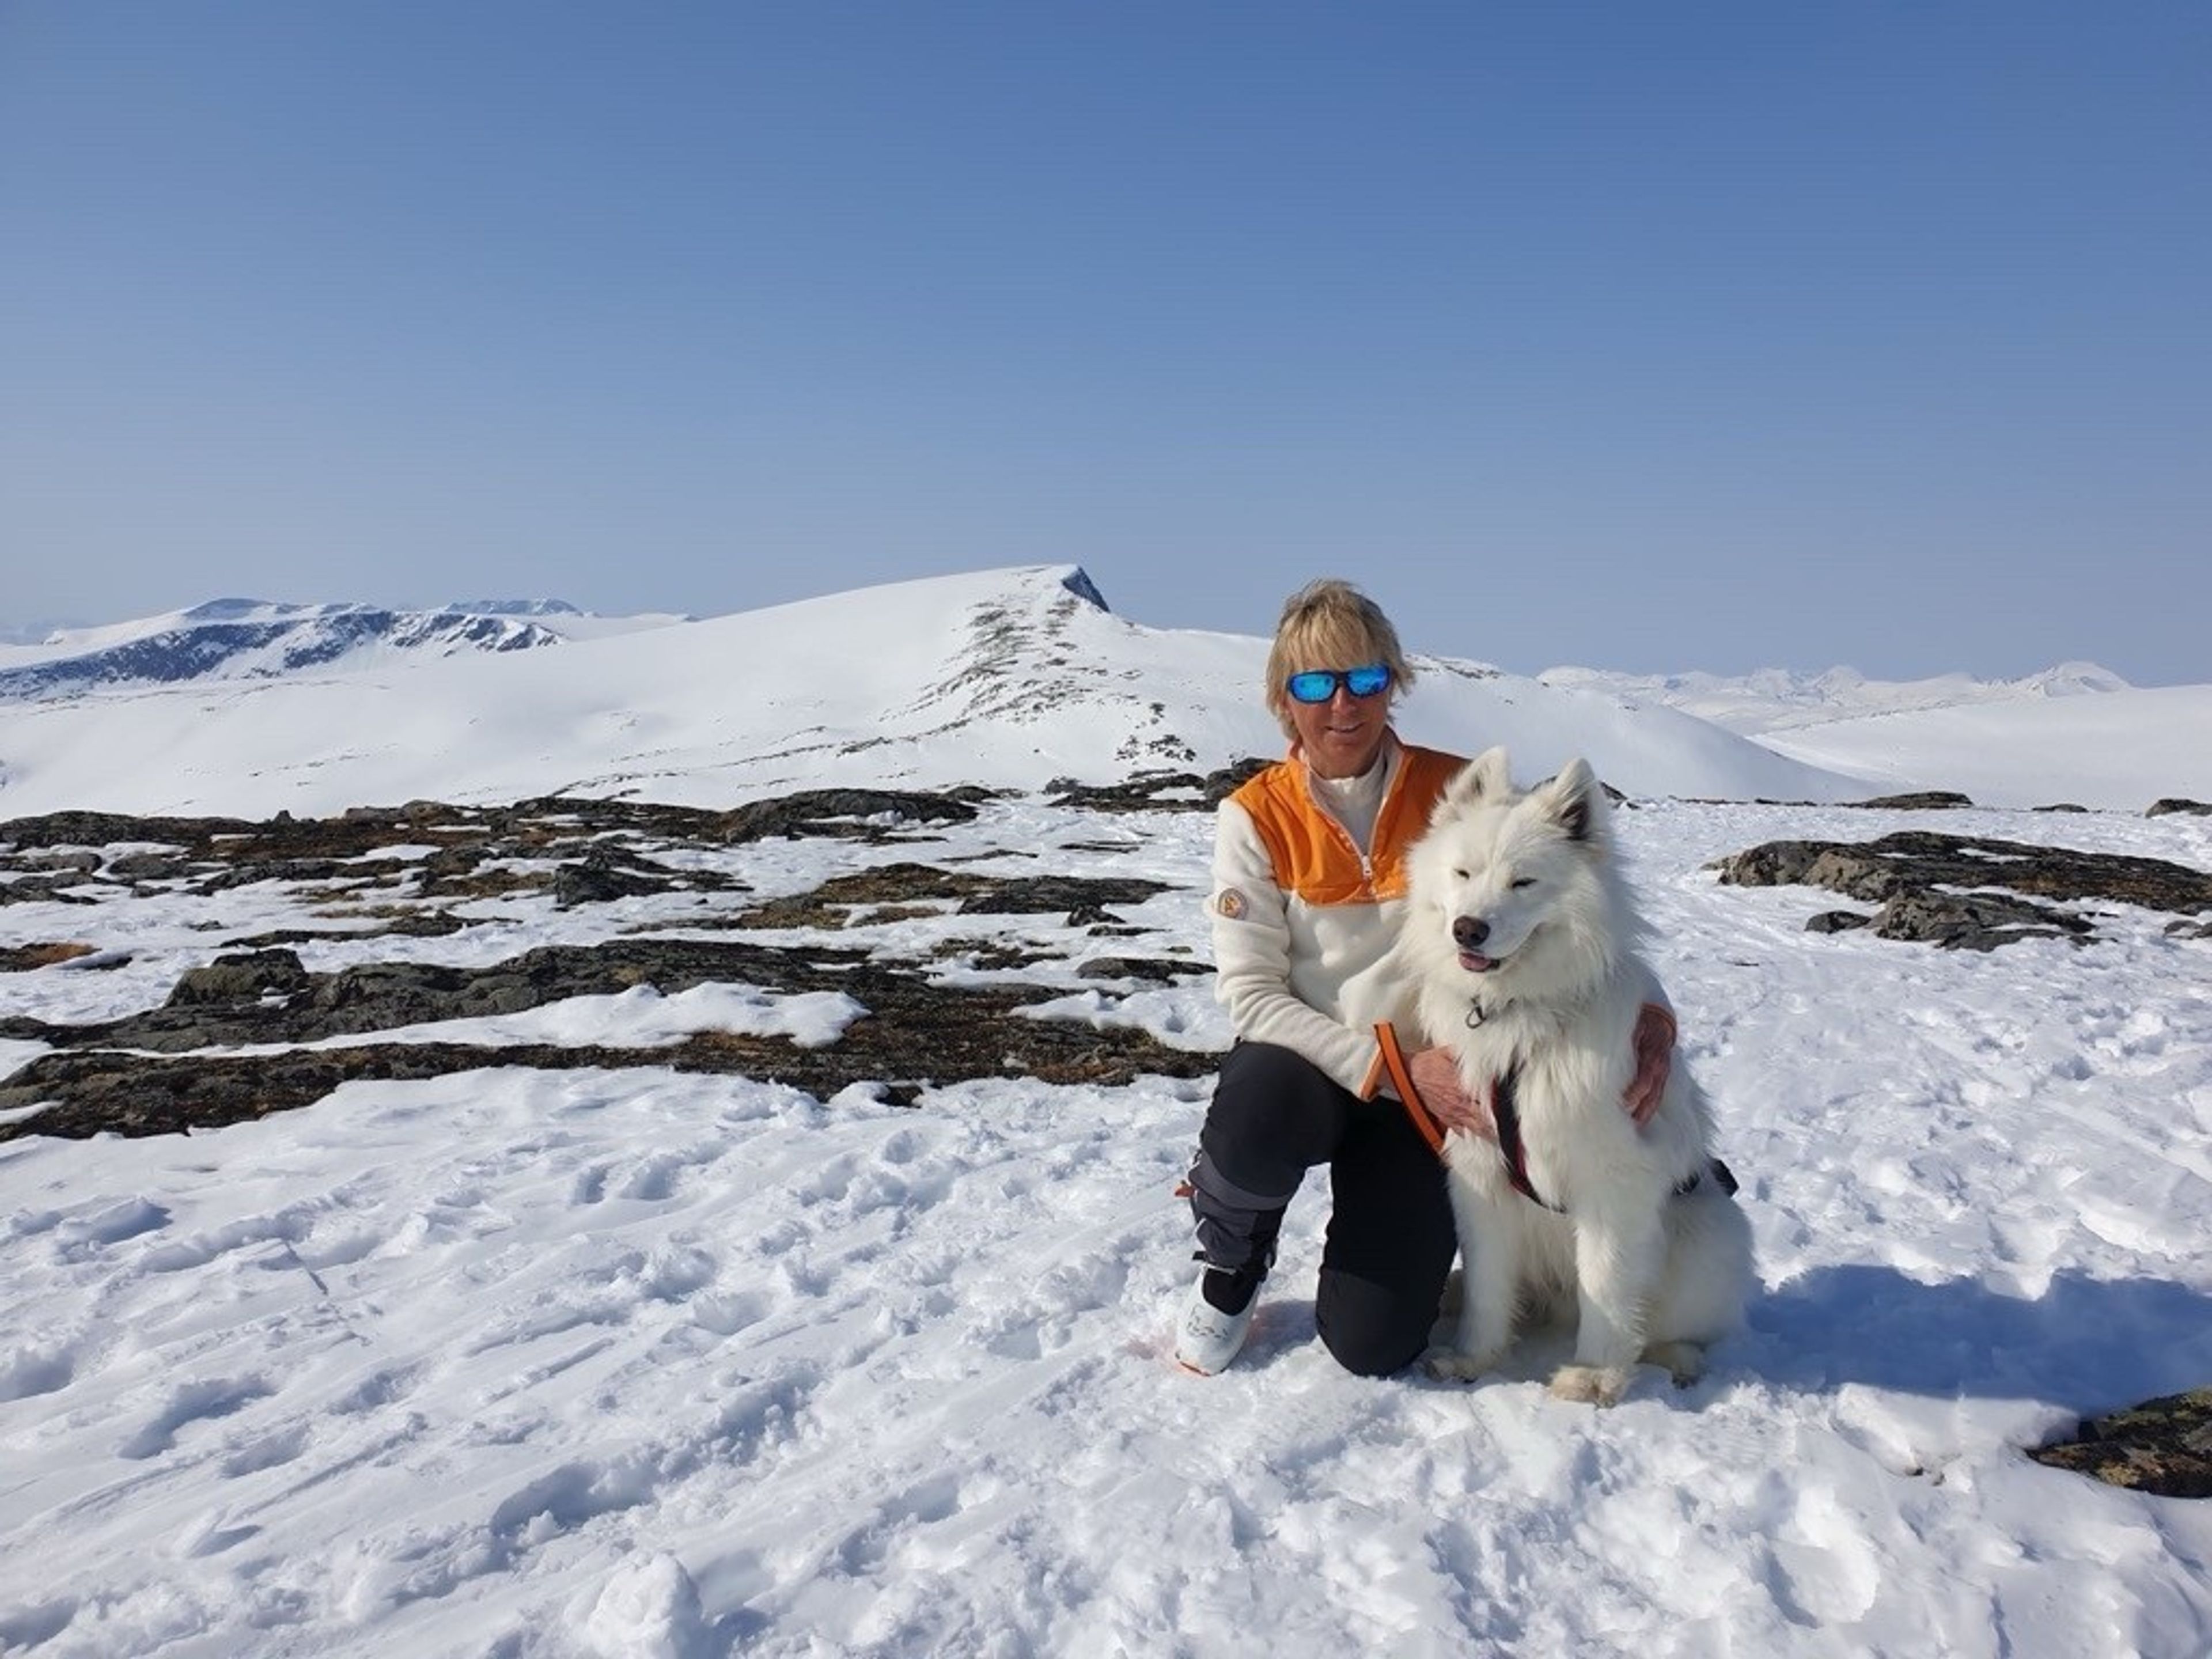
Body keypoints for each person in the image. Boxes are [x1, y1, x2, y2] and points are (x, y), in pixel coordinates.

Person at [1175, 578, 1676, 1377]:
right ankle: (1232, 1265)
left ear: (1394, 684)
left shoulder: (1458, 796)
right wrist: (1391, 1066)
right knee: (1253, 1113)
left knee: (1374, 1346)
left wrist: (1653, 1015)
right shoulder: (1256, 815)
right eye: (1316, 684)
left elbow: (1580, 912)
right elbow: (1251, 995)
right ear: (1283, 699)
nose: (1344, 705)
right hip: (1317, 1066)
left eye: (1366, 679)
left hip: (1437, 1092)